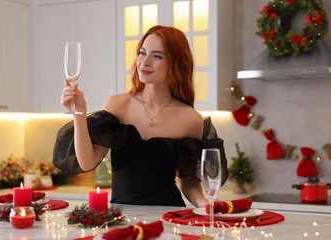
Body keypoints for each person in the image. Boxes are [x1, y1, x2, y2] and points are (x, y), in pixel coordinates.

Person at [54, 25, 229, 207]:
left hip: (168, 216)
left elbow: (188, 180)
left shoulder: (191, 119)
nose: (144, 62)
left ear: (176, 63)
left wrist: (204, 203)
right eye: (142, 53)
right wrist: (79, 114)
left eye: (157, 56)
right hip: (121, 219)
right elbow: (87, 162)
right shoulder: (118, 104)